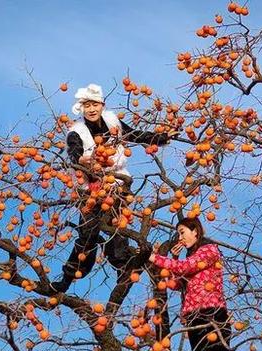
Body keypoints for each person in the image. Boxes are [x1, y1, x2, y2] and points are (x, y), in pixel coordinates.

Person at [51, 83, 174, 293]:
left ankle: (123, 267)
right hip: (91, 190)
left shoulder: (112, 121)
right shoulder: (76, 131)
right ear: (82, 108)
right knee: (87, 235)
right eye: (87, 105)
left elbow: (134, 135)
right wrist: (84, 159)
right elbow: (73, 152)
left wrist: (159, 137)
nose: (91, 109)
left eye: (95, 105)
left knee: (117, 229)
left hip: (118, 185)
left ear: (102, 105)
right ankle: (68, 278)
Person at [148, 217, 230, 351]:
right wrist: (167, 266)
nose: (180, 237)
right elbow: (177, 283)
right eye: (178, 234)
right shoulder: (189, 258)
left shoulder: (209, 250)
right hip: (193, 318)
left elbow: (187, 267)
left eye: (182, 232)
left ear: (195, 231)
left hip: (212, 315)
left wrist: (154, 258)